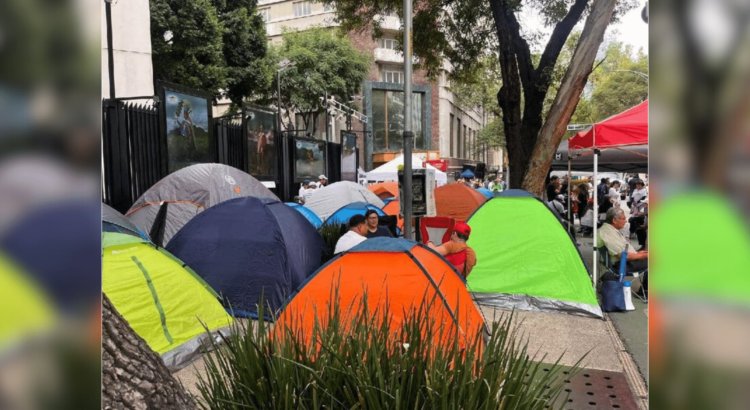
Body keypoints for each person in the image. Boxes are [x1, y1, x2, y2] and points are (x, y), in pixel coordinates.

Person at [597, 208, 648, 276]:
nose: (626, 221)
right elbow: (622, 255)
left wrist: (637, 253)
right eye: (623, 218)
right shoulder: (608, 233)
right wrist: (643, 255)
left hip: (626, 262)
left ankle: (645, 285)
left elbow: (622, 251)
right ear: (614, 220)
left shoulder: (609, 230)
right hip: (624, 265)